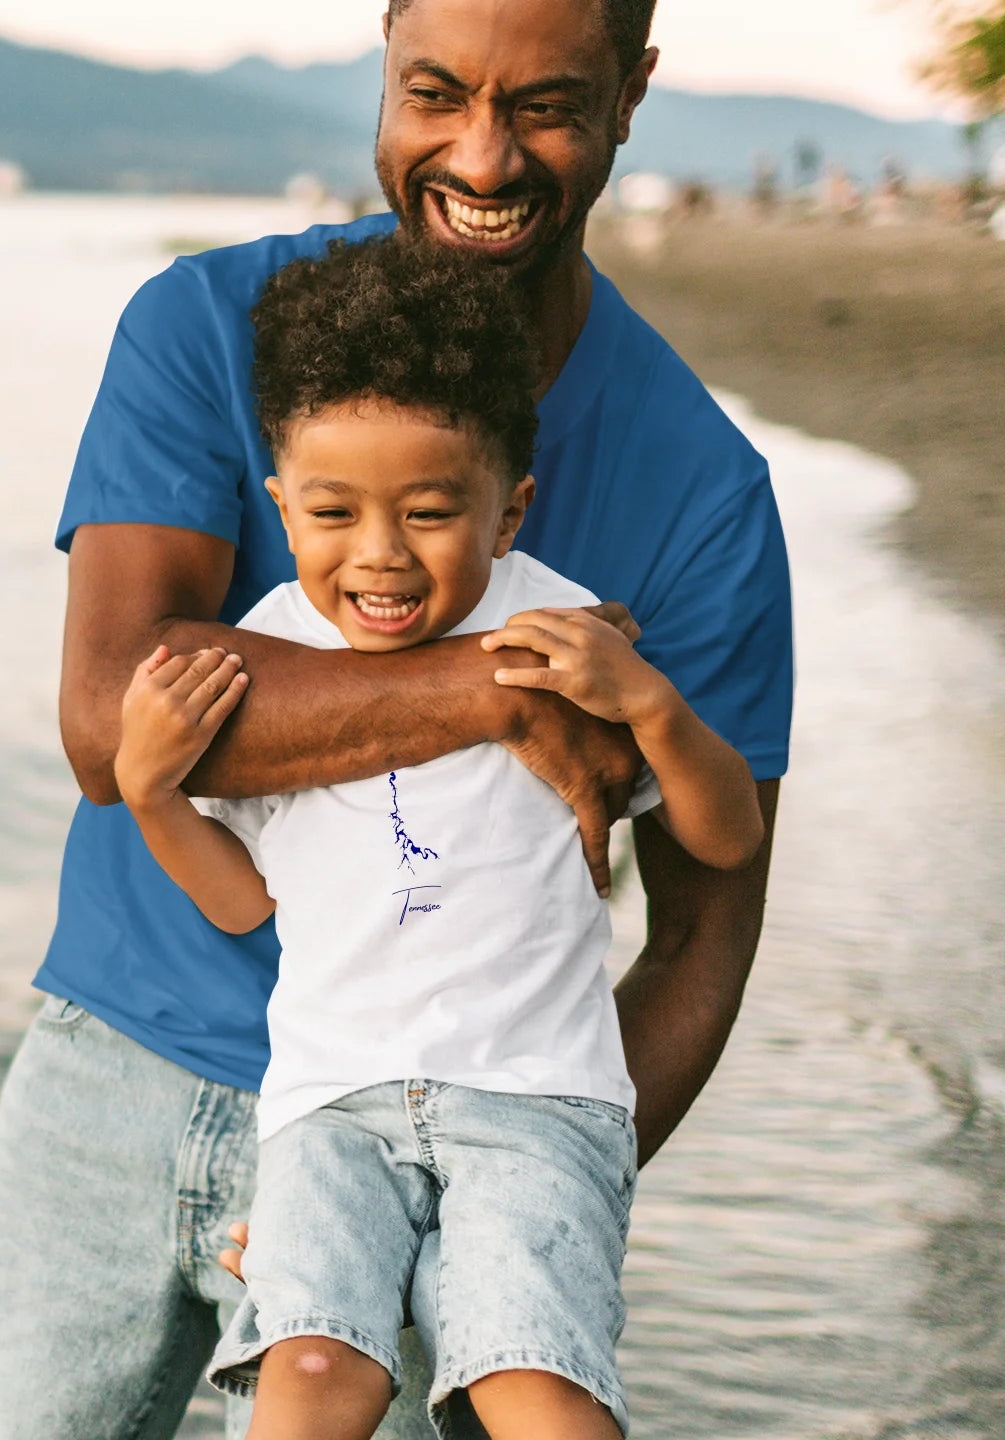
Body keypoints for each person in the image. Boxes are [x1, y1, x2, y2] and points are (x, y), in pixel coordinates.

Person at [0, 1, 794, 1436]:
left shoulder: (702, 488)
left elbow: (708, 921)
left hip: (446, 1136)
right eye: (435, 92)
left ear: (634, 92)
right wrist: (492, 691)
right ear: (385, 69)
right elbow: (111, 725)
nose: (481, 153)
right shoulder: (205, 329)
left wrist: (520, 1199)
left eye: (544, 104)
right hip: (115, 1074)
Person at [113, 236, 765, 1440]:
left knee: (533, 1385)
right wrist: (153, 796)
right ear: (280, 506)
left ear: (508, 507)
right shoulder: (262, 653)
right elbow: (243, 903)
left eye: (428, 511)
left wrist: (655, 709)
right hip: (333, 1106)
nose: (379, 554)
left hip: (535, 1098)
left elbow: (722, 842)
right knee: (309, 1378)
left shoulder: (568, 637)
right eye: (332, 512)